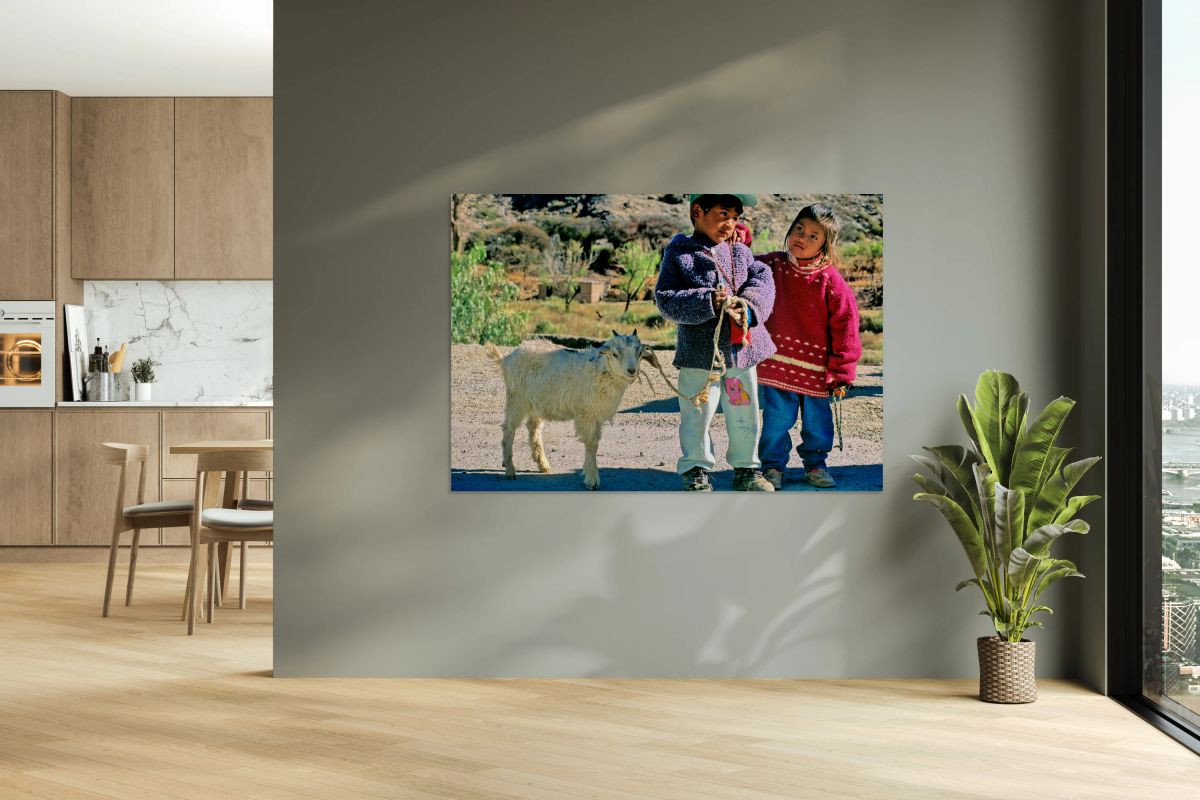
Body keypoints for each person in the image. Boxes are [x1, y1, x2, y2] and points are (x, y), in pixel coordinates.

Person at [654, 194, 776, 491]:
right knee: (697, 412)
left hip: (740, 353)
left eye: (735, 216)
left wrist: (747, 304)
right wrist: (708, 299)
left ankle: (747, 469)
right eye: (723, 214)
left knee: (744, 410)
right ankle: (696, 467)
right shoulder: (679, 254)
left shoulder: (740, 253)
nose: (730, 223)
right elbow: (666, 298)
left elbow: (763, 278)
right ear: (698, 212)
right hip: (700, 355)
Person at [755, 203, 862, 489]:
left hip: (818, 369)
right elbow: (741, 267)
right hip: (778, 363)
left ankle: (815, 466)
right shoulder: (771, 265)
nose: (802, 237)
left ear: (825, 245)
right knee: (776, 421)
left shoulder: (830, 281)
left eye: (814, 236)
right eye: (799, 229)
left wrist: (842, 371)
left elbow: (846, 327)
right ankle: (773, 467)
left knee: (817, 423)